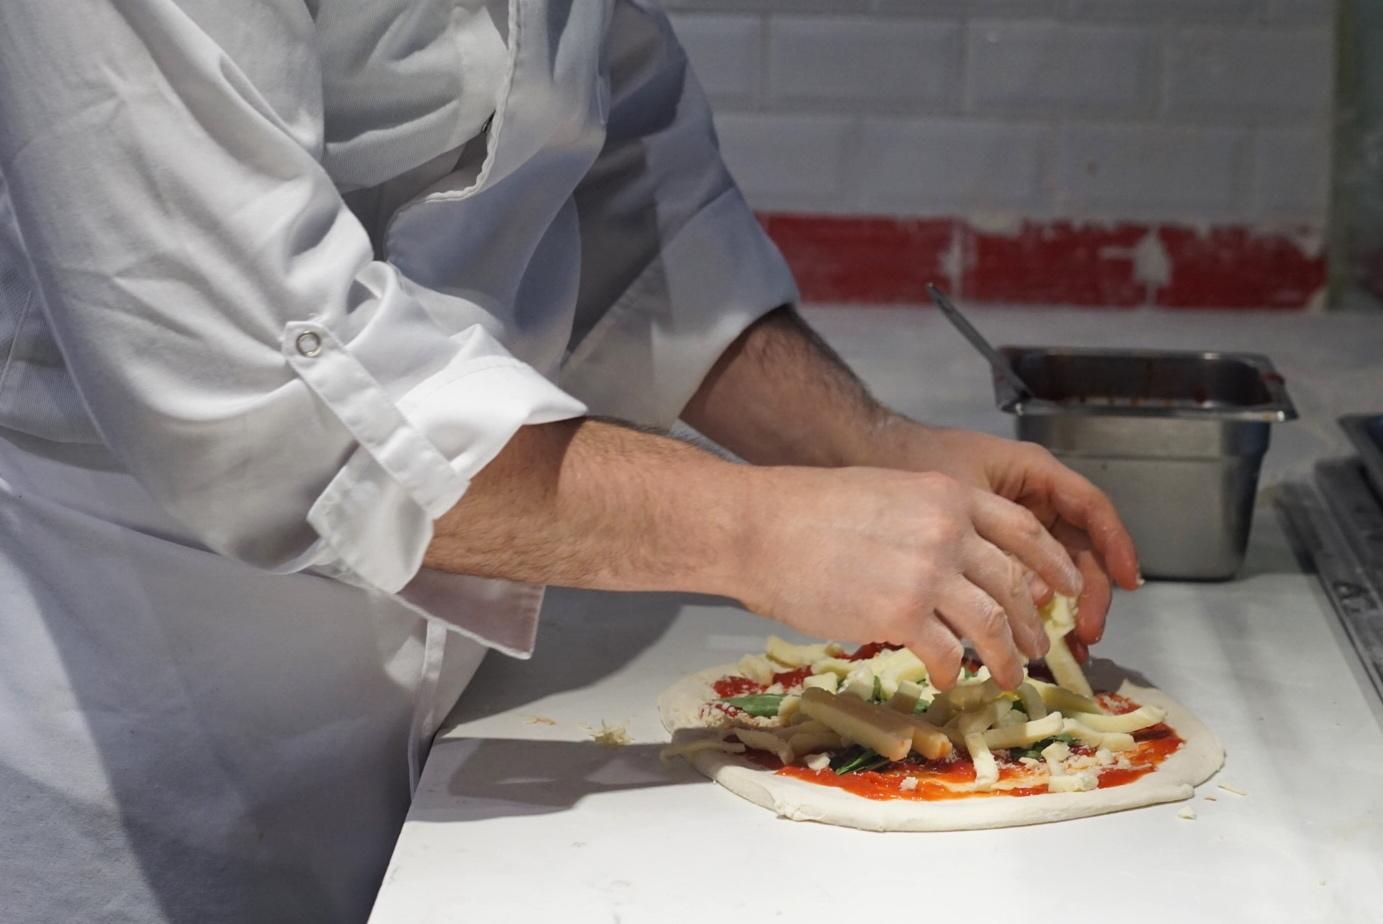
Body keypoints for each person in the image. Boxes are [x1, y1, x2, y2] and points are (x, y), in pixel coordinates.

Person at [0, 1, 1138, 921]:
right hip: (148, 735)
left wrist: (877, 450)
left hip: (463, 732)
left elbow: (619, 194)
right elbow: (261, 380)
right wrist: (754, 526)